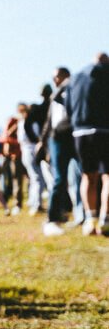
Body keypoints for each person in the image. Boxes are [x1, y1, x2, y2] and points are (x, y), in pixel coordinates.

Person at [65, 53, 109, 236]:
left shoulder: (75, 77)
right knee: (107, 176)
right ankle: (105, 220)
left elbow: (68, 106)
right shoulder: (106, 73)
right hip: (104, 129)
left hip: (80, 131)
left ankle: (90, 220)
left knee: (87, 176)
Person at [39, 67, 78, 236]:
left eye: (57, 77)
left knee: (81, 176)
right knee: (59, 179)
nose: (55, 80)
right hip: (57, 139)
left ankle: (83, 215)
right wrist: (43, 142)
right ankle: (52, 218)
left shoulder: (73, 89)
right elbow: (49, 121)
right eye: (53, 77)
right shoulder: (54, 97)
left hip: (72, 136)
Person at [16, 101, 45, 215]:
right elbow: (35, 137)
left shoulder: (21, 123)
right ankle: (36, 204)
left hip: (25, 151)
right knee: (38, 179)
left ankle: (33, 202)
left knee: (34, 178)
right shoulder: (30, 123)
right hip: (31, 150)